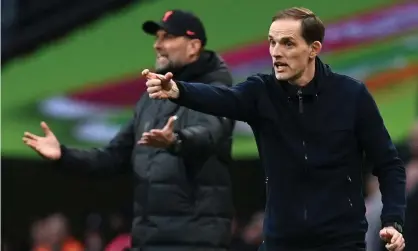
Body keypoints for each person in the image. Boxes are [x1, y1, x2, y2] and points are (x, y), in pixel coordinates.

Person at [142, 7, 407, 251]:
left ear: (313, 48)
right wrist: (178, 90)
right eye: (272, 42)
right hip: (280, 241)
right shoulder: (260, 92)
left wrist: (392, 220)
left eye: (287, 43)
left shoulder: (352, 95)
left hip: (341, 242)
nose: (275, 52)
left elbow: (389, 165)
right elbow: (222, 98)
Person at [23, 10, 236, 251]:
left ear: (193, 46)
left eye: (167, 37)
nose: (157, 45)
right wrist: (63, 154)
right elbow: (113, 156)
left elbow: (208, 133)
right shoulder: (150, 99)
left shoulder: (216, 91)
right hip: (148, 241)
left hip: (195, 242)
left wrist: (175, 140)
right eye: (156, 38)